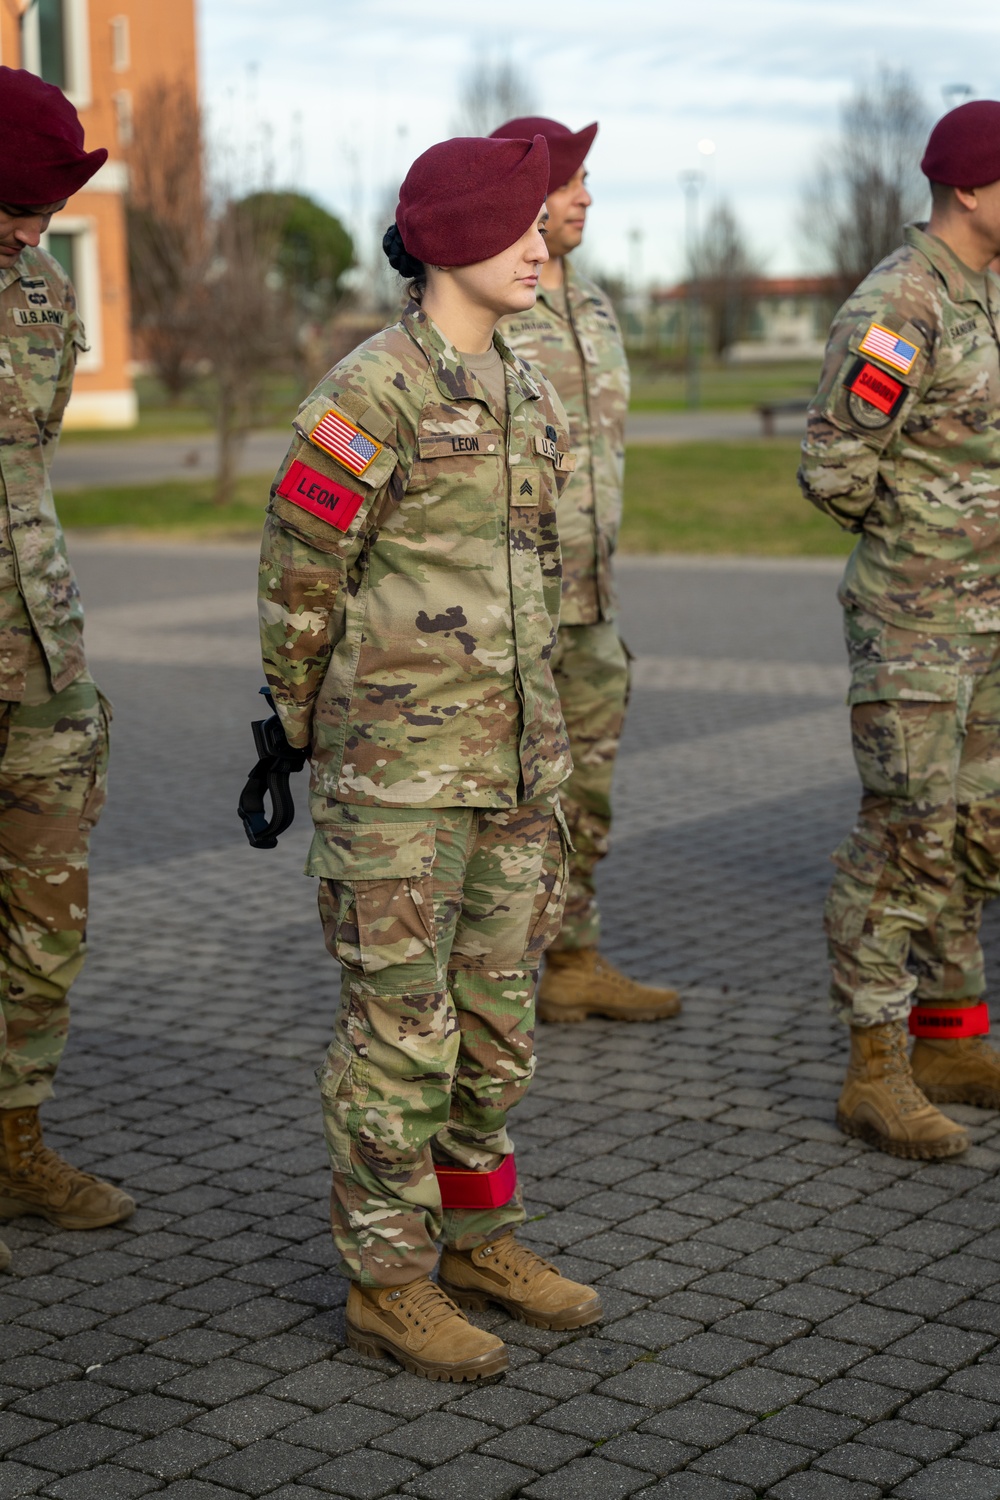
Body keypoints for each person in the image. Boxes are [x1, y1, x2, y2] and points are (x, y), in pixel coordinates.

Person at [259, 133, 603, 1381]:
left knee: (496, 1027)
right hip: (399, 785)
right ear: (451, 236)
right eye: (518, 222)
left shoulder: (530, 383)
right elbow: (301, 577)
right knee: (399, 1038)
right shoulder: (370, 393)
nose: (542, 239)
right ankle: (388, 1282)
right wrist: (308, 734)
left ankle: (481, 1238)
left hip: (516, 773)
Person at [799, 99, 1000, 1160]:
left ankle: (954, 1034)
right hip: (918, 624)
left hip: (988, 620)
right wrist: (929, 551)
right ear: (969, 188)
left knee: (973, 831)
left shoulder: (989, 293)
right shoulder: (902, 302)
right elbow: (832, 468)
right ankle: (873, 1070)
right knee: (904, 839)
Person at [491, 116, 681, 1024]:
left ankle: (572, 961)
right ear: (528, 192)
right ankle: (477, 989)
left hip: (593, 604)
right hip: (506, 616)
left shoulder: (597, 303)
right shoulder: (485, 305)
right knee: (500, 807)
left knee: (587, 796)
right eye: (572, 182)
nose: (586, 198)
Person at [0, 69, 133, 1269]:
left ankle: (15, 1141)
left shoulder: (40, 290)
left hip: (40, 659)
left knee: (46, 923)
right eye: (19, 204)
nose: (37, 227)